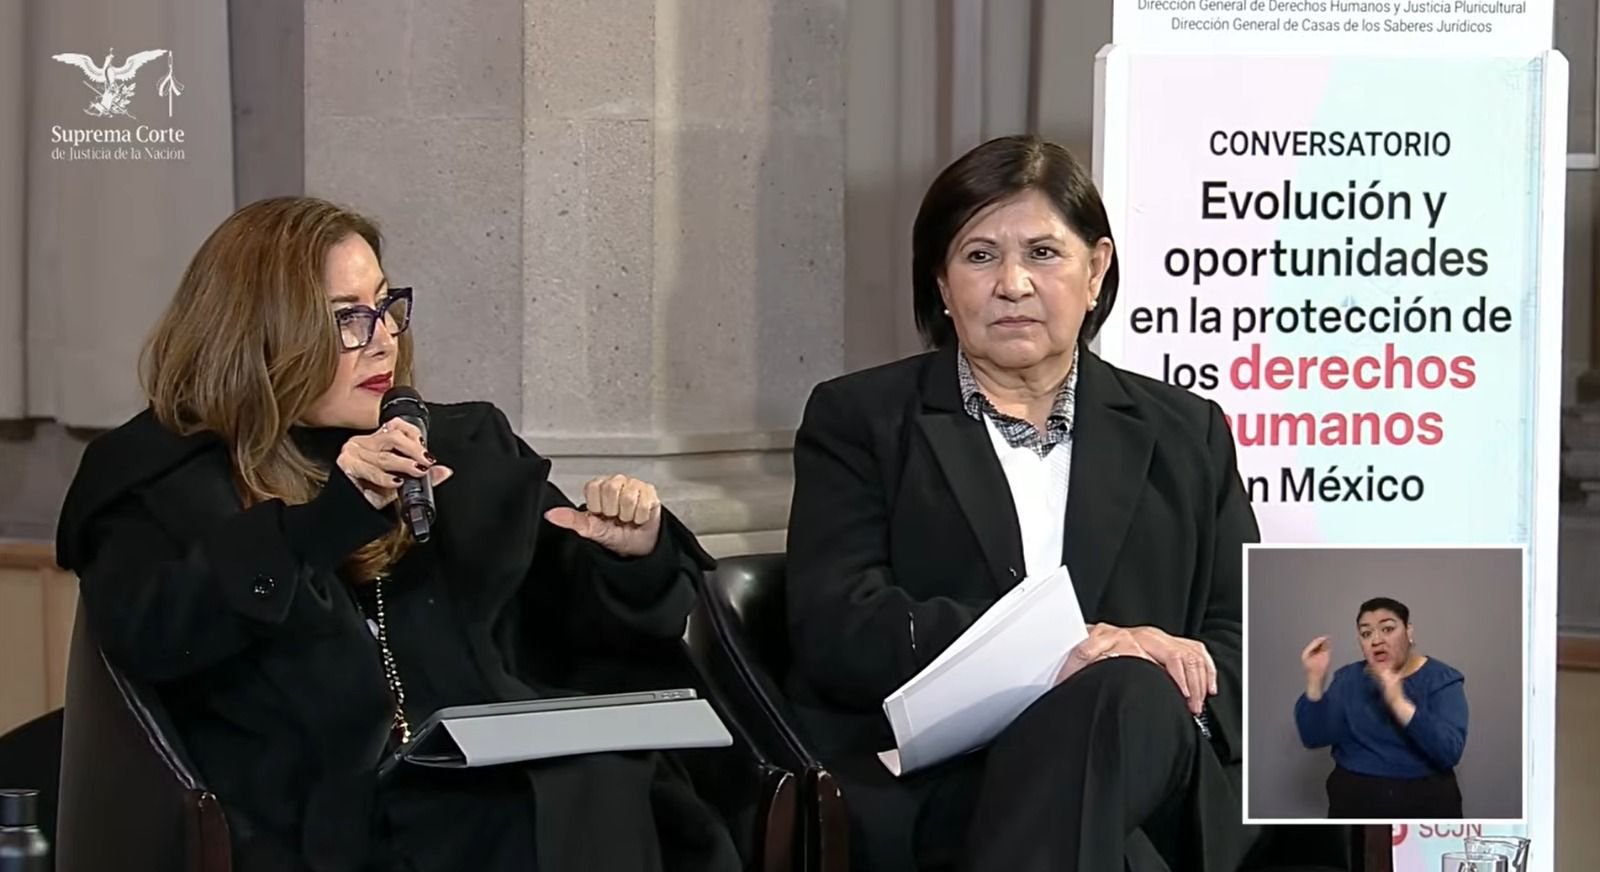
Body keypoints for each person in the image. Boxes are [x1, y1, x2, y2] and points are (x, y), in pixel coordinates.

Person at [53, 197, 741, 872]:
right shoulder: (164, 481)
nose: (384, 337)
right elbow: (159, 634)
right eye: (347, 317)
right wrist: (326, 520)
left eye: (385, 306)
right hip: (317, 814)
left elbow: (572, 621)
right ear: (260, 335)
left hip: (492, 775)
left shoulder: (459, 445)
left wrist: (631, 554)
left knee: (622, 786)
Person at [784, 135, 1261, 871]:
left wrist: (1146, 678)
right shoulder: (862, 421)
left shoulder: (1186, 431)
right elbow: (839, 623)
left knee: (1123, 691)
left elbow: (1245, 633)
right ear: (942, 284)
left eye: (1043, 253)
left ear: (1095, 270)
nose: (1012, 284)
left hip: (1159, 778)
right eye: (979, 256)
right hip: (957, 781)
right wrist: (1060, 651)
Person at [1296, 597, 1468, 819]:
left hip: (1425, 804)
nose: (1376, 640)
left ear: (1409, 631)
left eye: (1387, 629)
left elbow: (1449, 751)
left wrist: (1398, 703)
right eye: (1366, 633)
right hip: (1353, 803)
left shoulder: (1441, 679)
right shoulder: (1349, 679)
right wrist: (1315, 679)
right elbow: (1313, 737)